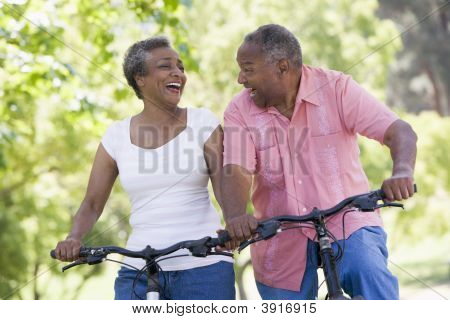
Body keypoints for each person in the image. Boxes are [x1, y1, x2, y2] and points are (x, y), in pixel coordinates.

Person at [221, 24, 417, 300]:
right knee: (282, 304)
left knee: (368, 272)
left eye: (248, 69)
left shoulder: (336, 88)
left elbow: (399, 132)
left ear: (282, 67)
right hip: (280, 231)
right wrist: (236, 216)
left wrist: (403, 171)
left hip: (348, 220)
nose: (240, 79)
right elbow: (236, 168)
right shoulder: (240, 109)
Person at [54, 36, 235, 300]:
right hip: (138, 268)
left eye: (181, 67)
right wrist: (74, 237)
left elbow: (224, 183)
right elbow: (92, 203)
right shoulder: (116, 136)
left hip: (203, 265)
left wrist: (232, 223)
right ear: (140, 78)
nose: (178, 73)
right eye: (166, 66)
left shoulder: (202, 121)